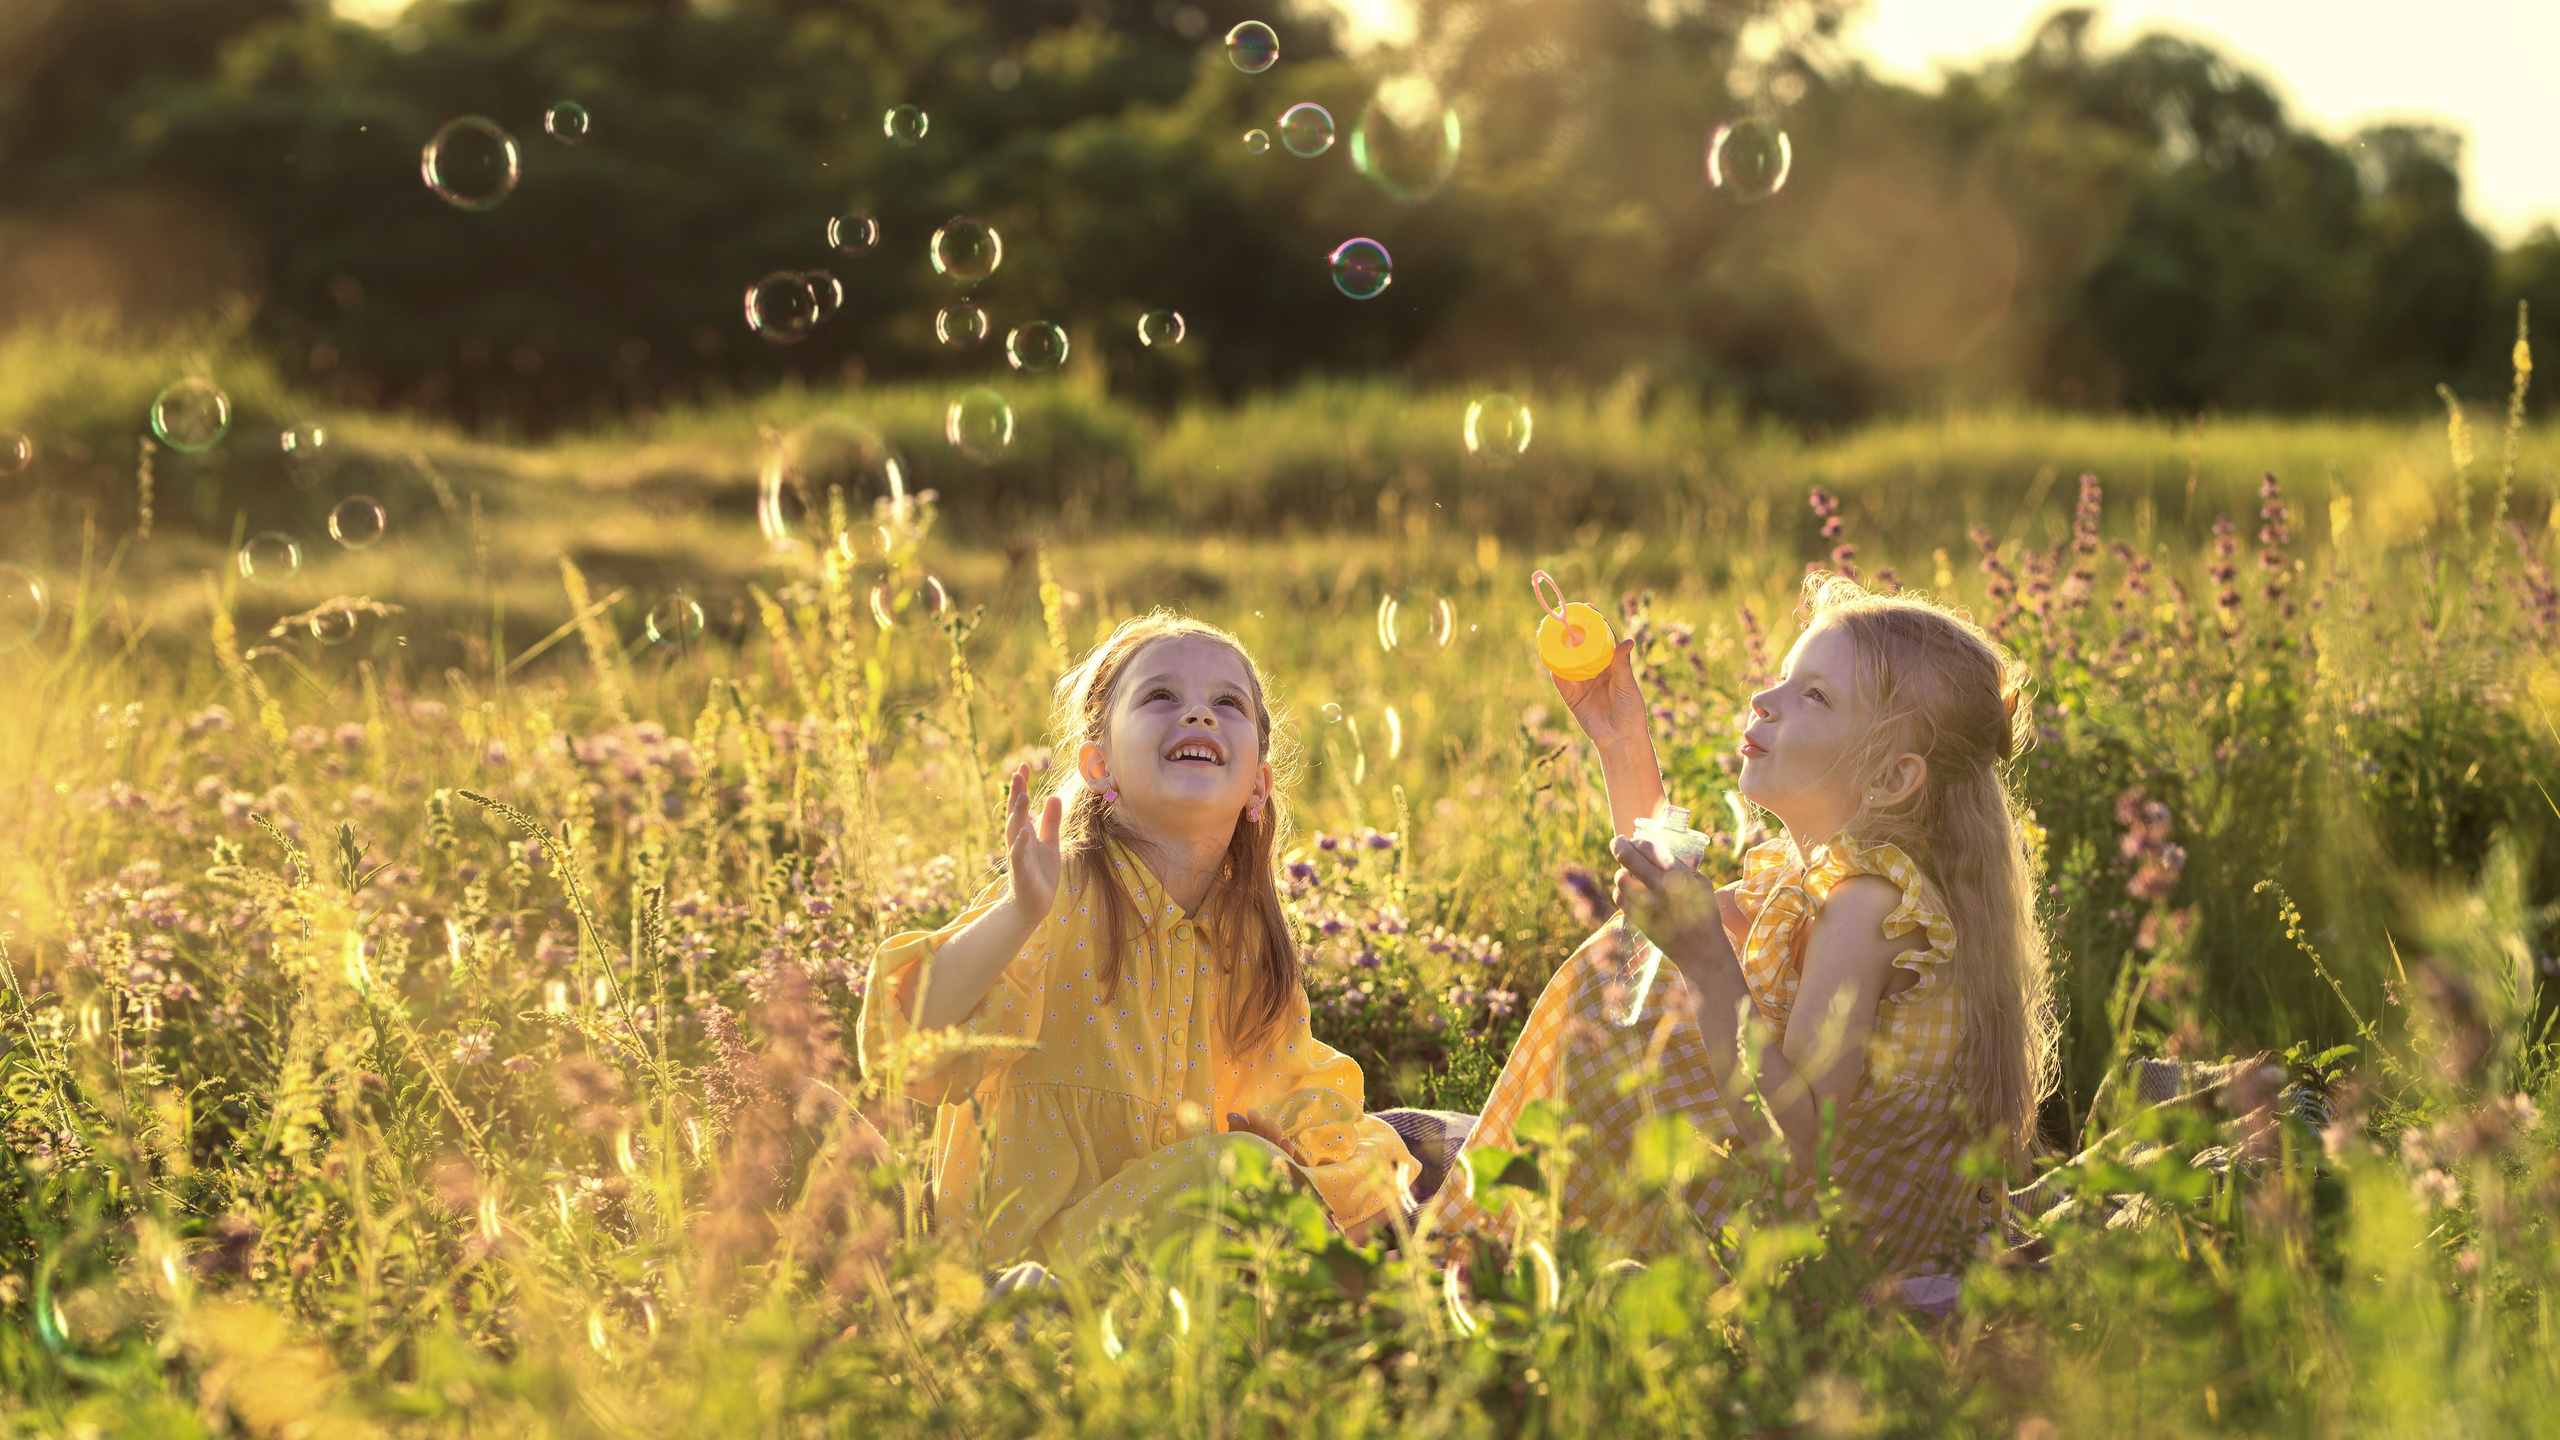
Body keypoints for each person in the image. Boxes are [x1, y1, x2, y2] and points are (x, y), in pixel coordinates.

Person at [1425, 574, 2055, 1277]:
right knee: (1633, 975)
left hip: (1837, 1265)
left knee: (1620, 1003)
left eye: (1813, 695)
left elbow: (1801, 1154)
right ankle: (1504, 1229)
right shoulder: (1832, 883)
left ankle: (1489, 1238)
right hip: (1807, 1227)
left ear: (1890, 779)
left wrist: (1708, 965)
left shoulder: (1868, 909)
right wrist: (1622, 743)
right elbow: (1659, 910)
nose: (1764, 699)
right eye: (1784, 676)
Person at [860, 612, 1415, 1266]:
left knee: (1408, 1142)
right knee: (1239, 1172)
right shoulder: (1060, 893)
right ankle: (1371, 1286)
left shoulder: (1246, 939)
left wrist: (1294, 1153)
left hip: (1170, 1249)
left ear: (1257, 787)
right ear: (1099, 766)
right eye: (1161, 697)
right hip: (1027, 1254)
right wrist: (1017, 912)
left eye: (1226, 704)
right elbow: (913, 1039)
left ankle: (1354, 1276)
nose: (1199, 716)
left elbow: (1298, 1091)